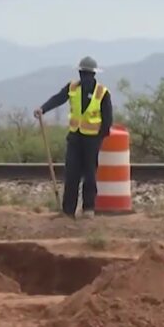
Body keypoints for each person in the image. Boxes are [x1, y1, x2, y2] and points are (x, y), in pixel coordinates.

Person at [34, 57, 112, 219]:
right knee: (72, 174)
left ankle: (88, 209)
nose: (84, 76)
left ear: (93, 74)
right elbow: (58, 98)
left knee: (90, 174)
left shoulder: (102, 93)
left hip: (92, 139)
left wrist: (99, 137)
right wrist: (43, 109)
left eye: (87, 73)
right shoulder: (72, 88)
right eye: (82, 73)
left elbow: (107, 119)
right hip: (75, 137)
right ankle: (68, 211)